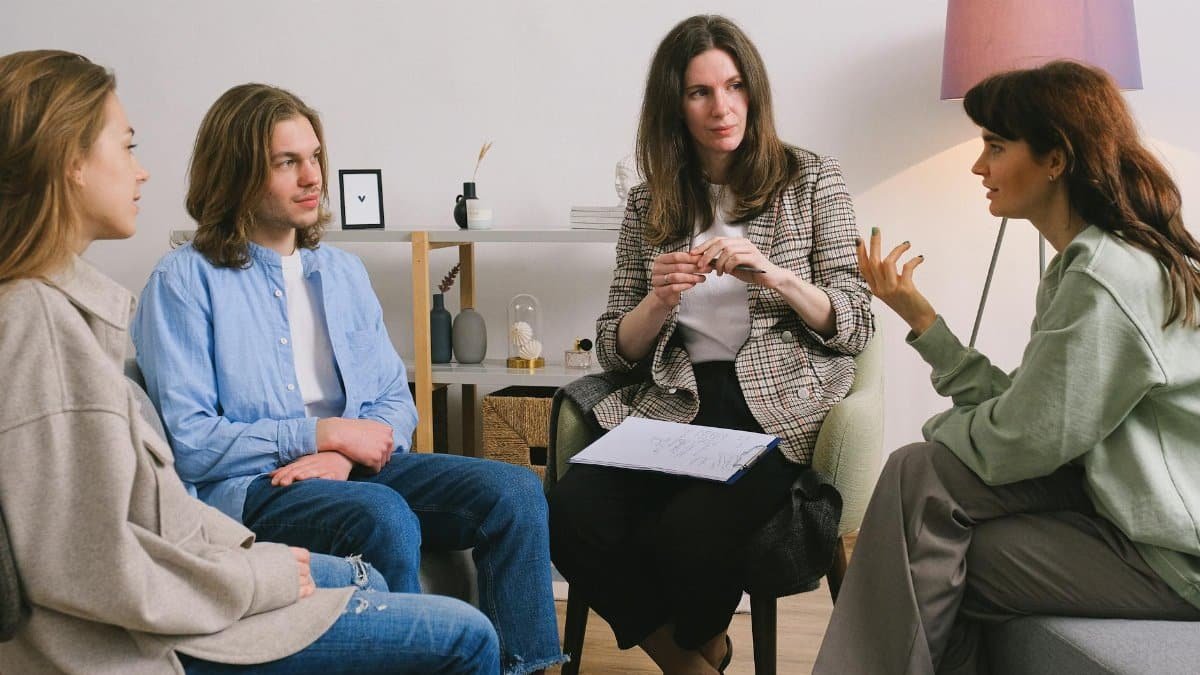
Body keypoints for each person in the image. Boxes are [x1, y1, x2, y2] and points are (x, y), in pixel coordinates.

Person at [0, 49, 499, 675]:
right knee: (458, 627)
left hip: (208, 560)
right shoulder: (44, 325)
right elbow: (96, 563)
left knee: (476, 511)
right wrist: (256, 574)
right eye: (126, 146)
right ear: (70, 162)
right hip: (155, 629)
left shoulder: (70, 313)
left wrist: (326, 470)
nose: (143, 171)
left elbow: (145, 517)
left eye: (314, 156)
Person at [129, 82, 563, 675]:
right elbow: (191, 442)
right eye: (287, 162)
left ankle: (524, 669)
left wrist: (343, 455)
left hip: (351, 467)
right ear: (235, 173)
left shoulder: (341, 271)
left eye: (314, 159)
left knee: (514, 493)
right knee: (379, 514)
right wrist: (323, 436)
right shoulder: (184, 281)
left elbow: (391, 399)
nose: (312, 178)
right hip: (252, 489)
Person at [814, 60, 1200, 674]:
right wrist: (923, 321)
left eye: (995, 146)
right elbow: (1032, 413)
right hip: (1119, 515)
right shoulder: (1089, 264)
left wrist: (938, 428)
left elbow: (1021, 440)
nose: (978, 166)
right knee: (932, 525)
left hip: (1173, 559)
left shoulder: (1107, 278)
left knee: (925, 494)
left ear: (1056, 159)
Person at [546, 15, 874, 675]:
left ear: (753, 91)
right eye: (700, 92)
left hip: (777, 408)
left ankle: (698, 645)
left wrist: (774, 275)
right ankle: (693, 659)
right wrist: (657, 299)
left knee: (687, 531)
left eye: (733, 86)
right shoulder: (650, 205)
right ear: (675, 105)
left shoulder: (812, 179)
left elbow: (857, 323)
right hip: (678, 401)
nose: (721, 107)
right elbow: (616, 348)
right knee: (567, 508)